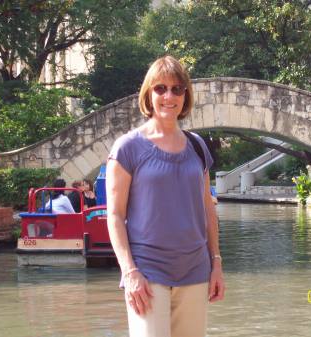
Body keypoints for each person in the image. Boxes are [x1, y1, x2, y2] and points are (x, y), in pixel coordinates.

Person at [106, 55, 225, 337]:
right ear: (149, 93)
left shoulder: (197, 147)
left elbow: (208, 208)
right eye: (160, 88)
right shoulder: (127, 148)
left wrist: (216, 263)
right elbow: (115, 215)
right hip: (147, 272)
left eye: (177, 89)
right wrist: (130, 271)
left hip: (195, 269)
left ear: (186, 95)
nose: (168, 96)